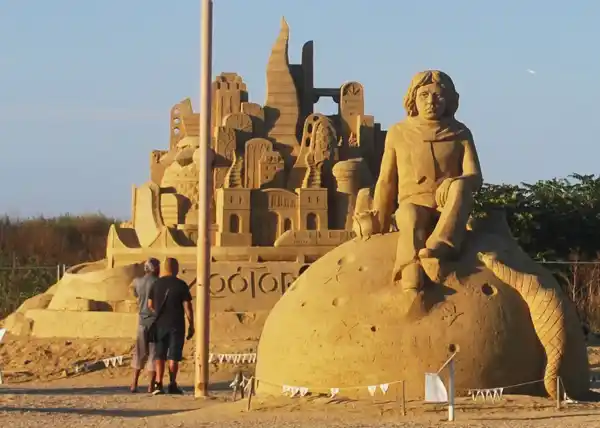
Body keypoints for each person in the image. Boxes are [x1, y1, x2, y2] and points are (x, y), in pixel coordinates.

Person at [372, 70, 483, 293]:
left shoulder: (460, 133)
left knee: (461, 186)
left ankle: (442, 245)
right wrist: (378, 218)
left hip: (446, 208)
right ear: (413, 98)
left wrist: (453, 181)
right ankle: (409, 266)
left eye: (438, 96)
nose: (431, 102)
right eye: (424, 95)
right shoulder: (399, 132)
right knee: (410, 216)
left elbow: (475, 177)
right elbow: (386, 180)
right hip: (413, 204)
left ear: (449, 100)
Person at [148, 257, 195, 395]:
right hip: (176, 324)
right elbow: (188, 307)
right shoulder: (181, 285)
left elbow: (150, 305)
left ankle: (158, 383)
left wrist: (158, 312)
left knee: (160, 355)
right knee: (173, 355)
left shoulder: (156, 284)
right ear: (175, 268)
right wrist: (191, 324)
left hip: (160, 324)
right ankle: (172, 383)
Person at [130, 257, 160, 393]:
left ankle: (134, 384)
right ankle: (150, 385)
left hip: (141, 320)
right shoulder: (158, 283)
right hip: (155, 321)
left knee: (139, 353)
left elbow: (134, 293)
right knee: (153, 353)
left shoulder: (137, 282)